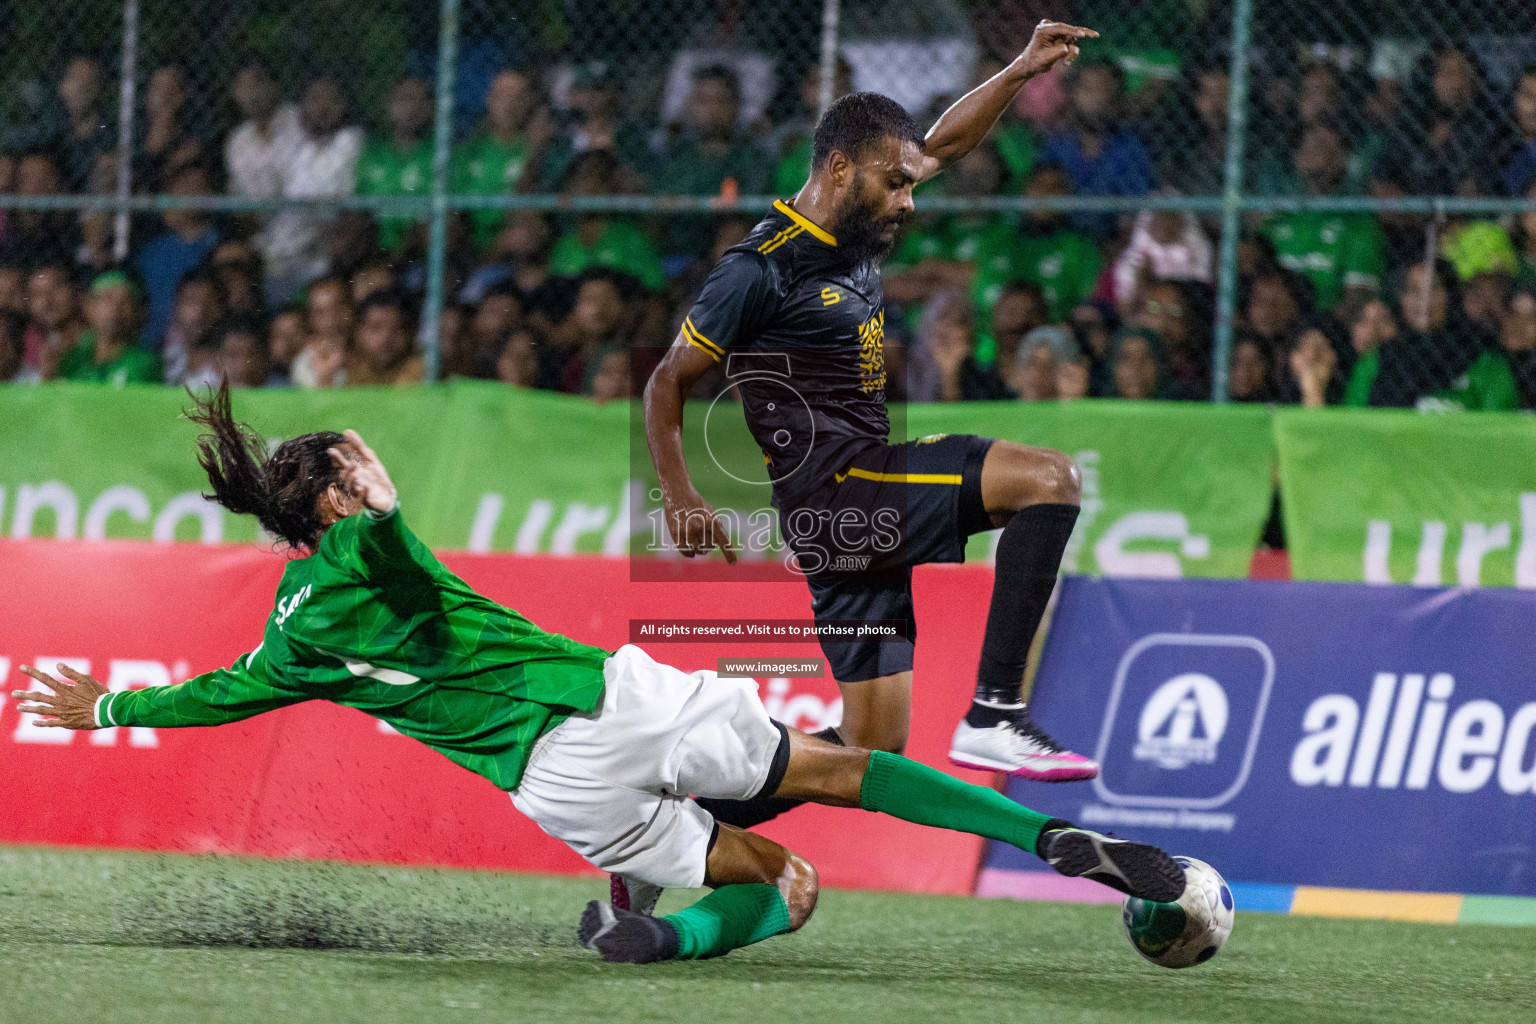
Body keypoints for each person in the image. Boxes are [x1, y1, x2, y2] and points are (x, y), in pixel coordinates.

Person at [10, 385, 1187, 965]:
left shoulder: (289, 636)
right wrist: (390, 505)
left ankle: (661, 940)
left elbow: (206, 696)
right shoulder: (371, 539)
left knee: (789, 883)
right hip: (610, 698)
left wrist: (107, 703)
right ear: (330, 494)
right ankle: (1049, 841)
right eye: (352, 462)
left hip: (557, 791)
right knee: (848, 768)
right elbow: (406, 575)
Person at [644, 22, 1105, 863]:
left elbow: (944, 144)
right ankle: (998, 710)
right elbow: (667, 380)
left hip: (839, 529)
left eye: (911, 185)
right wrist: (681, 492)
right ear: (839, 168)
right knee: (1050, 479)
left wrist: (1016, 69)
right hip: (843, 489)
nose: (910, 200)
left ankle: (672, 832)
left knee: (870, 754)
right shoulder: (760, 267)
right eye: (896, 184)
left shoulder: (861, 226)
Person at [260, 76, 363, 305]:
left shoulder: (352, 143)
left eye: (330, 100)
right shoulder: (299, 150)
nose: (321, 107)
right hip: (283, 253)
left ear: (343, 107)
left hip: (324, 251)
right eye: (314, 99)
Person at [453, 70, 552, 252]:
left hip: (513, 243)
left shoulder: (536, 148)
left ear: (528, 102)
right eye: (502, 96)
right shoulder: (470, 150)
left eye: (517, 97)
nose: (509, 105)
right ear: (489, 99)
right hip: (470, 239)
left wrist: (533, 152)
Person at [135, 162, 222, 345]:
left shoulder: (216, 245)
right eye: (176, 190)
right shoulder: (153, 251)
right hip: (151, 339)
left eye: (194, 188)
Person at [356, 78, 434, 253]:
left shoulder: (439, 156)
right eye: (404, 99)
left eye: (420, 100)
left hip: (417, 253)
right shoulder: (372, 155)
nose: (411, 108)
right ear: (390, 107)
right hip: (372, 249)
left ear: (431, 109)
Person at [57, 272, 160, 385]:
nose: (115, 308)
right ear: (89, 307)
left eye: (125, 301)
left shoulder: (145, 363)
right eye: (106, 298)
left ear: (136, 312)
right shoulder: (72, 358)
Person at [347, 287, 425, 387]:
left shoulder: (426, 372)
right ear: (359, 332)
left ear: (411, 332)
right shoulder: (343, 372)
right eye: (376, 328)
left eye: (397, 329)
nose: (386, 338)